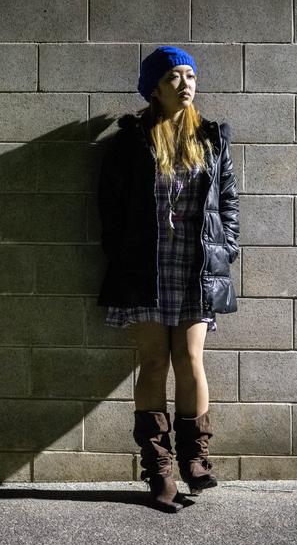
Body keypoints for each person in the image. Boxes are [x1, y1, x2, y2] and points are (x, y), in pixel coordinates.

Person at [97, 45, 239, 513]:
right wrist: (121, 254)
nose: (185, 84)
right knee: (154, 360)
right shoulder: (131, 142)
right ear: (154, 89)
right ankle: (159, 471)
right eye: (174, 77)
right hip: (146, 269)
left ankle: (195, 460)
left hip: (194, 268)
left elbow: (228, 203)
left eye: (190, 76)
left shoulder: (213, 139)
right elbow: (110, 210)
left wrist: (227, 247)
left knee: (190, 359)